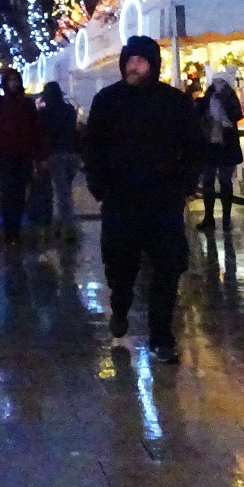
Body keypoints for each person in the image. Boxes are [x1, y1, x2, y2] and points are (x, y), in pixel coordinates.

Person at [82, 35, 203, 363]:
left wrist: (185, 183)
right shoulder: (108, 100)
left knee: (167, 268)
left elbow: (193, 145)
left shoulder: (174, 102)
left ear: (153, 64)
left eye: (141, 61)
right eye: (130, 60)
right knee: (120, 265)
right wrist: (100, 186)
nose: (134, 66)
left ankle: (161, 335)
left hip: (163, 199)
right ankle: (120, 307)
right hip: (121, 199)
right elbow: (93, 146)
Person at [0, 69, 47, 247]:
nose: (13, 84)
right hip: (6, 157)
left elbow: (35, 131)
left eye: (15, 80)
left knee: (18, 196)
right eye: (10, 80)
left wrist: (38, 156)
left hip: (22, 157)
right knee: (8, 196)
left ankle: (14, 231)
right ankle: (10, 232)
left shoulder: (26, 104)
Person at [197, 74, 244, 232]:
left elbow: (237, 114)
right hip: (213, 144)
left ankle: (224, 218)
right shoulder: (211, 97)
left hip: (223, 144)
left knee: (223, 181)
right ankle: (211, 217)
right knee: (210, 181)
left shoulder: (229, 98)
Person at [37, 82, 81, 238]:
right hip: (73, 153)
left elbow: (43, 134)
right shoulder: (69, 110)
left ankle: (68, 226)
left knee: (62, 193)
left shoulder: (44, 113)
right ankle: (62, 223)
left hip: (55, 154)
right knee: (65, 191)